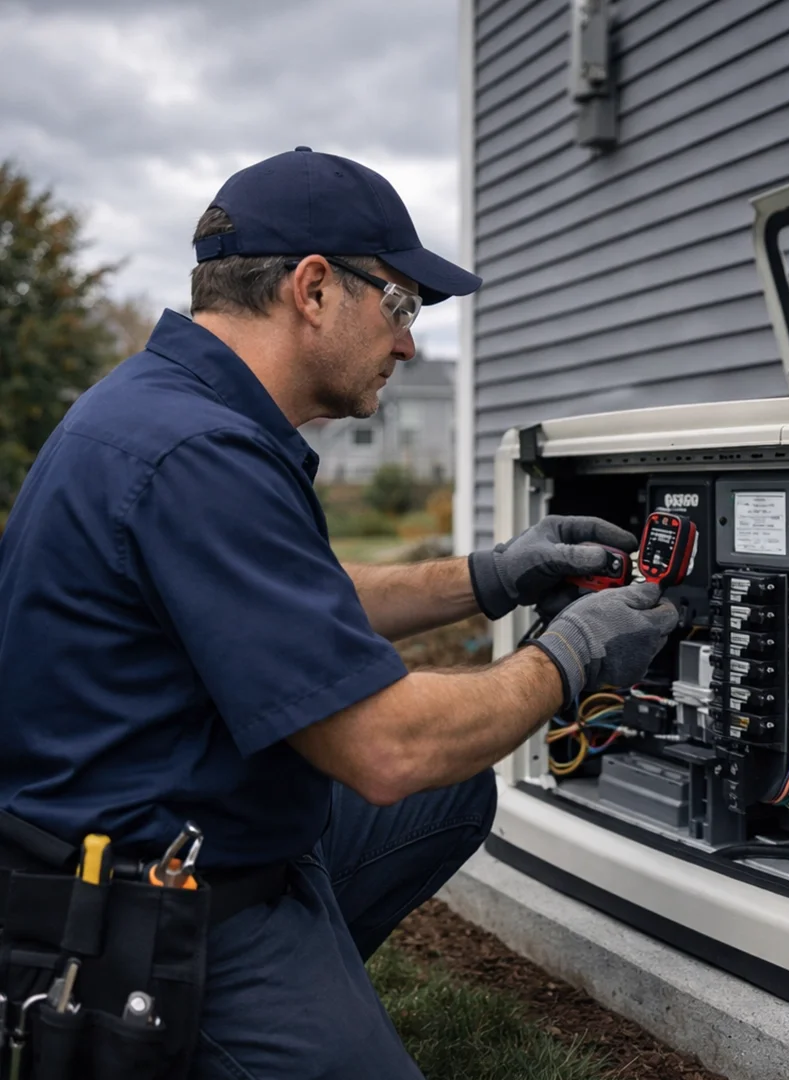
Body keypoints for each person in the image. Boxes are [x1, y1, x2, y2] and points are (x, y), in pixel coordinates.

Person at [0, 147, 678, 1079]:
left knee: (454, 794)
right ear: (313, 288)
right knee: (423, 770)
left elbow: (294, 601)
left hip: (207, 830)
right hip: (154, 904)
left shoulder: (168, 411)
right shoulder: (198, 454)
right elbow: (386, 750)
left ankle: (298, 983)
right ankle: (208, 1030)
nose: (408, 342)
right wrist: (570, 656)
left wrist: (495, 574)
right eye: (399, 306)